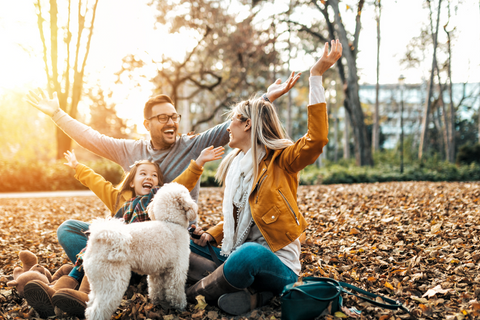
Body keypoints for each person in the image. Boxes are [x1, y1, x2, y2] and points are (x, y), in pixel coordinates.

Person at [25, 75, 300, 267]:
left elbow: (235, 125)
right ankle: (121, 268)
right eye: (163, 117)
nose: (171, 122)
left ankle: (112, 268)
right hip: (131, 232)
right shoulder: (128, 150)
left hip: (173, 238)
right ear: (147, 124)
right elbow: (91, 138)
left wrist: (266, 98)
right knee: (69, 229)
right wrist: (57, 114)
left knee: (182, 250)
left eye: (174, 116)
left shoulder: (193, 146)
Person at [186, 39, 342, 316]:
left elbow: (317, 139)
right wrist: (213, 233)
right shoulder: (236, 164)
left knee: (249, 255)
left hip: (276, 265)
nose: (227, 128)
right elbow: (244, 215)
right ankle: (250, 294)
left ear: (247, 124)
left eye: (232, 120)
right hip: (232, 253)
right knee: (178, 240)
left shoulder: (282, 160)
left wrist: (315, 76)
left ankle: (192, 294)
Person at [23, 146, 224, 318]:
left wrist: (197, 164)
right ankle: (56, 291)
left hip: (142, 257)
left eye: (154, 175)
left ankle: (85, 290)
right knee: (72, 229)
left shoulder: (159, 199)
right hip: (114, 249)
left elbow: (181, 184)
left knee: (101, 247)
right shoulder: (119, 198)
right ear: (131, 181)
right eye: (143, 173)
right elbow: (96, 182)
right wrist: (77, 167)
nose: (150, 178)